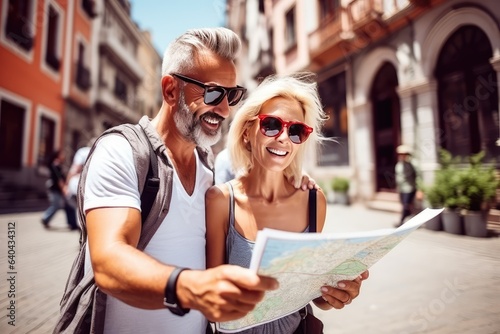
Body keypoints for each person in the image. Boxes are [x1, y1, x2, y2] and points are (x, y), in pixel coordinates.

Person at [63, 28, 320, 334]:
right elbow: (108, 261)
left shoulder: (207, 167)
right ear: (171, 90)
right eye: (212, 93)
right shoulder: (122, 151)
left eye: (232, 95)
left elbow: (253, 180)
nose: (224, 109)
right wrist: (189, 287)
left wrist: (294, 176)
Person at [205, 73, 369, 333]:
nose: (283, 138)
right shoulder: (220, 201)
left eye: (296, 130)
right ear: (247, 131)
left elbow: (312, 297)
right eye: (271, 124)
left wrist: (334, 294)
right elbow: (210, 302)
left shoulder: (314, 201)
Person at [41, 150, 78, 230]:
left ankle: (72, 223)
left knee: (68, 206)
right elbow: (59, 179)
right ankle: (45, 218)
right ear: (57, 156)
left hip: (58, 190)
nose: (63, 156)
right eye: (62, 154)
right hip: (56, 190)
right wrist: (64, 189)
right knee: (57, 205)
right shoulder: (55, 165)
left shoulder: (57, 165)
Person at [394, 144, 418, 227]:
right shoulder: (399, 165)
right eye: (400, 154)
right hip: (402, 189)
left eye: (404, 154)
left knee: (406, 205)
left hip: (409, 188)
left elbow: (417, 176)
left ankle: (401, 221)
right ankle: (412, 218)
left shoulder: (412, 165)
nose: (402, 156)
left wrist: (420, 190)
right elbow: (398, 178)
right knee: (406, 205)